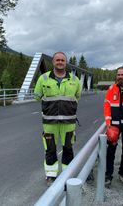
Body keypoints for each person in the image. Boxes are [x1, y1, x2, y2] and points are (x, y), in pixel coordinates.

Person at [34, 51, 81, 182]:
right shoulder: (43, 78)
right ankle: (51, 175)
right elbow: (37, 96)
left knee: (68, 148)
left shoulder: (74, 80)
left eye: (62, 60)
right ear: (53, 62)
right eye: (57, 60)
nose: (60, 62)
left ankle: (68, 174)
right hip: (49, 123)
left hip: (68, 123)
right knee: (50, 149)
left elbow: (77, 97)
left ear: (66, 63)